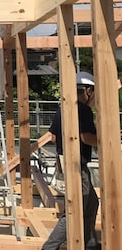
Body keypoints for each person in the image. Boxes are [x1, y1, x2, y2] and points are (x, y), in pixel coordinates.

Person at [42, 71, 99, 250]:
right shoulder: (83, 110)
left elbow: (52, 137)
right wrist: (106, 141)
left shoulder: (63, 108)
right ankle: (49, 247)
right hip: (76, 166)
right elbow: (86, 137)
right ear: (88, 91)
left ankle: (88, 243)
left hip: (66, 163)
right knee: (75, 209)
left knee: (92, 203)